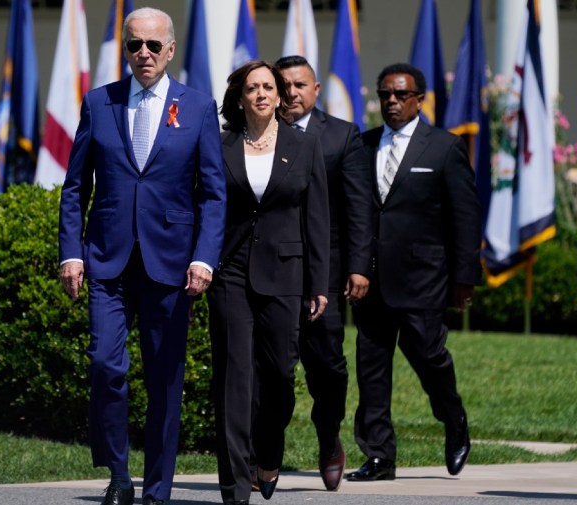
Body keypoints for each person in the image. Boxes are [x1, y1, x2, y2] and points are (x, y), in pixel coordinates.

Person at [57, 7, 226, 505]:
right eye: (135, 45)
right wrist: (71, 252)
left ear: (171, 50)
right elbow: (74, 188)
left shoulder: (197, 107)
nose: (144, 54)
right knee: (106, 368)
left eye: (154, 46)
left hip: (171, 266)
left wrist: (204, 258)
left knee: (164, 380)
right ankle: (118, 476)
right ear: (126, 49)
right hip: (107, 261)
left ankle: (157, 488)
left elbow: (213, 194)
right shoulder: (99, 102)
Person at [343, 63, 481, 482]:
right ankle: (380, 455)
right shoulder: (362, 146)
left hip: (425, 278)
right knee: (371, 368)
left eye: (401, 95)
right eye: (385, 94)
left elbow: (464, 218)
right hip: (370, 280)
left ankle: (453, 418)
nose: (392, 102)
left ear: (419, 98)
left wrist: (463, 279)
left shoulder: (444, 147)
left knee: (429, 357)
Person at [208, 60, 329, 505]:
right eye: (252, 87)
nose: (261, 93)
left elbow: (317, 217)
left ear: (280, 96)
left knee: (279, 373)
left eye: (268, 87)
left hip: (286, 272)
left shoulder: (305, 144)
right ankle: (234, 488)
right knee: (233, 380)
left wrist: (319, 282)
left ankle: (269, 456)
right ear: (240, 98)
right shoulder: (219, 145)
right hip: (231, 271)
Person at [273, 54, 371, 492]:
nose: (291, 93)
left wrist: (357, 266)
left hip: (325, 269)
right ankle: (265, 447)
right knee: (272, 366)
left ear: (315, 90)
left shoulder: (341, 136)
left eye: (299, 85)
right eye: (283, 85)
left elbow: (357, 208)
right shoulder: (258, 131)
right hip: (271, 267)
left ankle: (329, 438)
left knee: (327, 367)